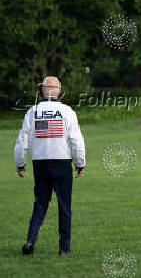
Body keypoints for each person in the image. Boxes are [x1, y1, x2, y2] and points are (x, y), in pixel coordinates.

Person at [14, 76, 86, 256]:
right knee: (64, 206)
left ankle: (30, 241)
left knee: (40, 203)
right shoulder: (67, 111)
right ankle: (64, 248)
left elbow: (22, 139)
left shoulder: (33, 111)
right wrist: (80, 163)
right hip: (62, 162)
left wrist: (20, 163)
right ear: (59, 91)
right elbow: (76, 140)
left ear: (42, 91)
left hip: (40, 163)